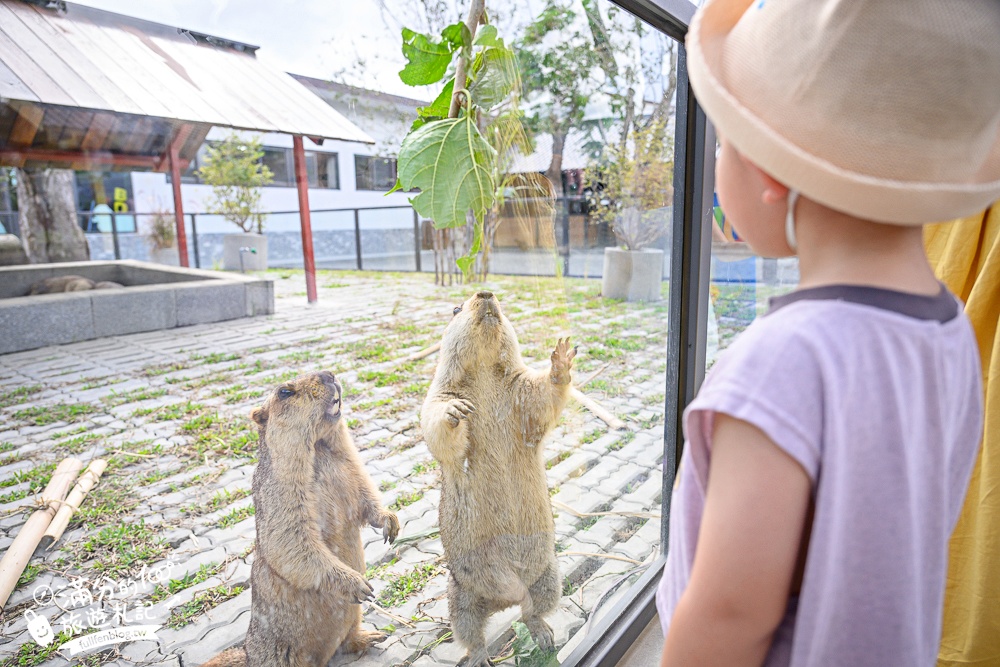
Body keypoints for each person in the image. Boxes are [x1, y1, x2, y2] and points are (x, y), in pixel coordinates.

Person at [656, 1, 999, 666]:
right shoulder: (949, 328)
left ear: (772, 174)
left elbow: (732, 613)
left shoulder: (782, 363)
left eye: (724, 137)